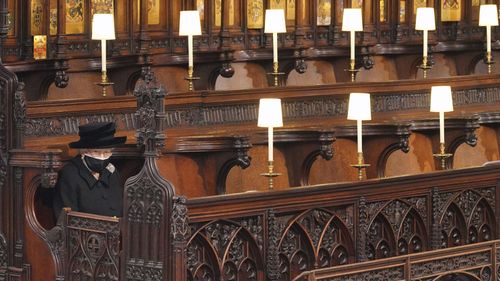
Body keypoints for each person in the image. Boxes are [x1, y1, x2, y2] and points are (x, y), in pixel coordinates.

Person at [53, 122, 127, 218]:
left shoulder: (112, 171)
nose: (102, 157)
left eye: (106, 152)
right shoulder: (70, 174)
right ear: (84, 152)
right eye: (96, 152)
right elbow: (66, 218)